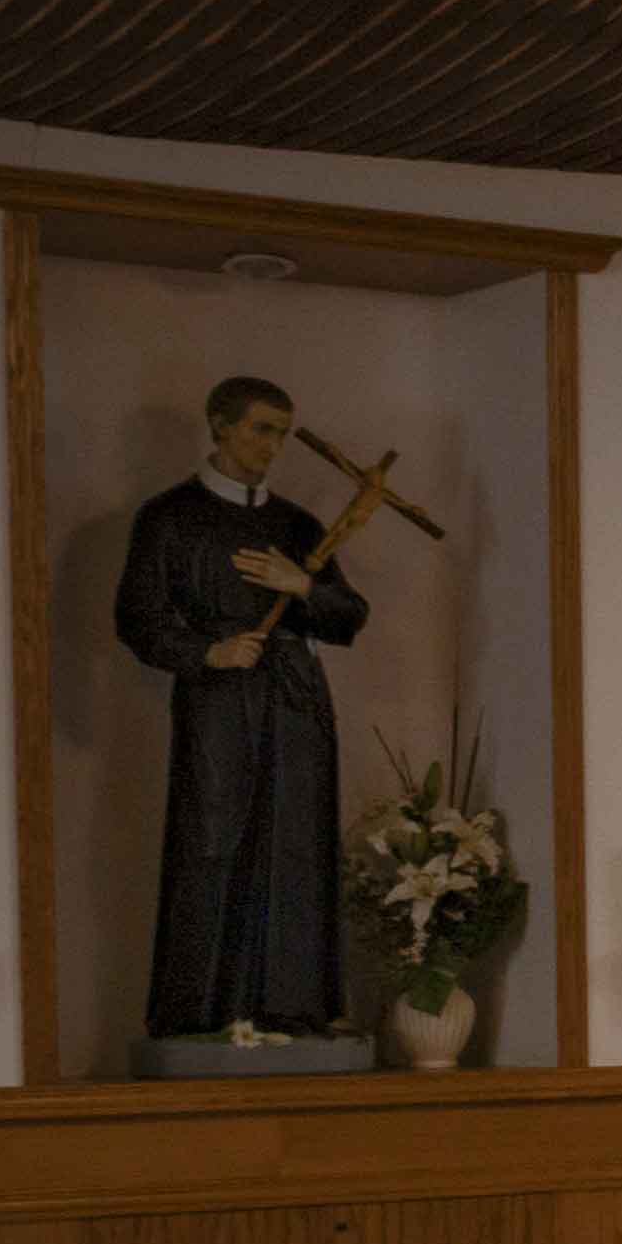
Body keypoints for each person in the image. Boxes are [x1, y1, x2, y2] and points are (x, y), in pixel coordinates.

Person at [111, 374, 372, 1036]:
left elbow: (348, 616)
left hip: (296, 700)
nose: (272, 446)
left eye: (282, 433)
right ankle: (200, 1012)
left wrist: (301, 584)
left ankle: (294, 1007)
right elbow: (138, 619)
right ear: (220, 426)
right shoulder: (169, 517)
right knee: (212, 840)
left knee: (297, 845)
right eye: (261, 429)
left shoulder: (297, 526)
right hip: (219, 698)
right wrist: (209, 652)